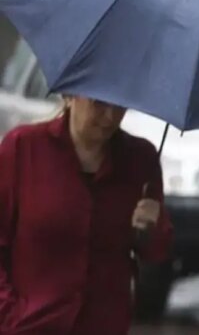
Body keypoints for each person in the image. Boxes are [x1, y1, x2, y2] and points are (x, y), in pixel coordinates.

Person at [0, 96, 172, 335]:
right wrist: (8, 315)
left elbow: (155, 251)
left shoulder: (141, 160)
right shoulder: (22, 147)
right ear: (69, 96)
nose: (110, 116)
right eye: (99, 103)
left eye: (119, 105)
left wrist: (151, 229)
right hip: (29, 325)